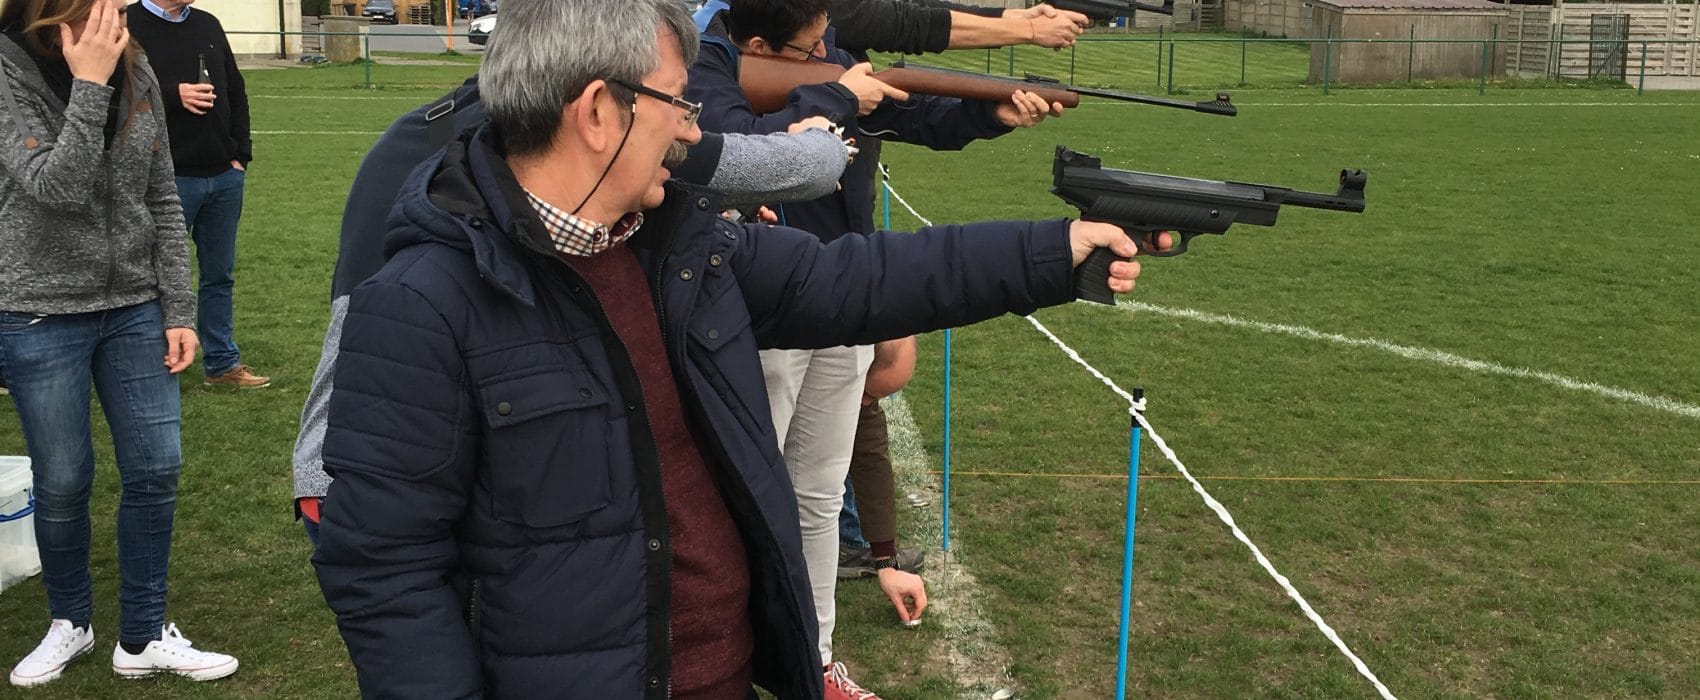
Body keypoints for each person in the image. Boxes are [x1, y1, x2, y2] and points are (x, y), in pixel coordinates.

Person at [310, 0, 1156, 697]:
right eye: (678, 103)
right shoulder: (420, 305)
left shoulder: (678, 247)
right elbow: (385, 572)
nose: (692, 130)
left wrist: (1056, 250)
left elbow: (855, 280)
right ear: (599, 113)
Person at [289, 72, 855, 545]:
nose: (681, 120)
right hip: (406, 480)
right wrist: (830, 120)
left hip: (334, 467)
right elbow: (796, 168)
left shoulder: (415, 131)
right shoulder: (574, 132)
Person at [689, 1, 1069, 695]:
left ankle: (815, 660)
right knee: (738, 495)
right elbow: (735, 151)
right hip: (759, 310)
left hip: (842, 296)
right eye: (810, 49)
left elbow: (910, 114)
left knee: (818, 493)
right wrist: (833, 95)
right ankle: (714, 662)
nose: (826, 51)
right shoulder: (705, 66)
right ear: (758, 43)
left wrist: (990, 113)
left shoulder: (822, 54)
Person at [0, 0, 237, 686]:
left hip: (136, 306)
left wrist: (178, 309)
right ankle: (69, 622)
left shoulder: (136, 67)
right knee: (63, 479)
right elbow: (56, 187)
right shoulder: (8, 73)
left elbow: (161, 196)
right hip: (39, 309)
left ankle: (143, 633)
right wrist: (89, 84)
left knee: (156, 469)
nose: (117, 13)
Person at [126, 0, 267, 388]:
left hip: (223, 175)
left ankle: (221, 363)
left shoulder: (207, 24)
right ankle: (155, 364)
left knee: (219, 275)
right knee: (155, 278)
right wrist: (173, 95)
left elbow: (235, 90)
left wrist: (240, 154)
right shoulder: (128, 23)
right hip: (166, 179)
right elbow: (114, 92)